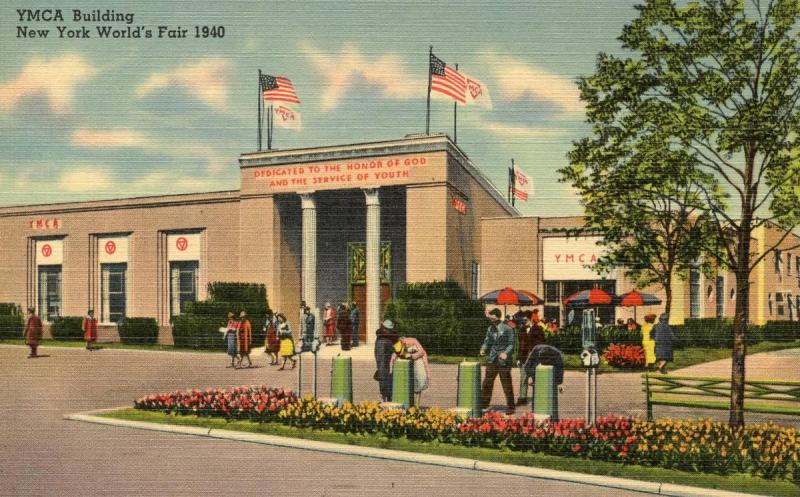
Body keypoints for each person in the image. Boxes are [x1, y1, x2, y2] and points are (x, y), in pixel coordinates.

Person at [480, 308, 516, 415]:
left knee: (506, 383)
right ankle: (484, 404)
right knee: (487, 382)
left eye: (492, 315)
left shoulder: (507, 328)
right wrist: (483, 348)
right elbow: (487, 341)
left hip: (503, 360)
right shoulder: (490, 329)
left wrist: (506, 353)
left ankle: (511, 406)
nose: (490, 317)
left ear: (497, 316)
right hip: (492, 358)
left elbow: (511, 344)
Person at [523, 343, 565, 420]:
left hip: (551, 381)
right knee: (537, 402)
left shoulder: (557, 355)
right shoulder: (536, 350)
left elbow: (560, 370)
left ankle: (554, 420)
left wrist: (560, 383)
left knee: (552, 403)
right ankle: (535, 419)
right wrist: (531, 376)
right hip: (537, 379)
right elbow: (527, 365)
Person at [391, 336, 431, 406]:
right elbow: (393, 357)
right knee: (407, 384)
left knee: (419, 382)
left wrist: (412, 356)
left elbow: (422, 352)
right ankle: (408, 403)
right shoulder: (398, 346)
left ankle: (417, 404)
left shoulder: (413, 341)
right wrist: (391, 369)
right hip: (407, 364)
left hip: (418, 361)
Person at [517, 312, 546, 405]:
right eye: (523, 320)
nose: (523, 322)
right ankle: (522, 398)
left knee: (536, 379)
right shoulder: (522, 330)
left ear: (531, 319)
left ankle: (537, 399)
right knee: (523, 379)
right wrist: (518, 358)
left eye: (525, 320)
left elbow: (542, 345)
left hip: (535, 359)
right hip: (524, 358)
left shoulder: (538, 329)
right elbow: (520, 345)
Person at [374, 319, 399, 402]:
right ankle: (386, 397)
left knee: (385, 378)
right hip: (385, 364)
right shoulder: (385, 340)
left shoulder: (382, 338)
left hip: (386, 363)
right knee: (385, 378)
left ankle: (386, 396)